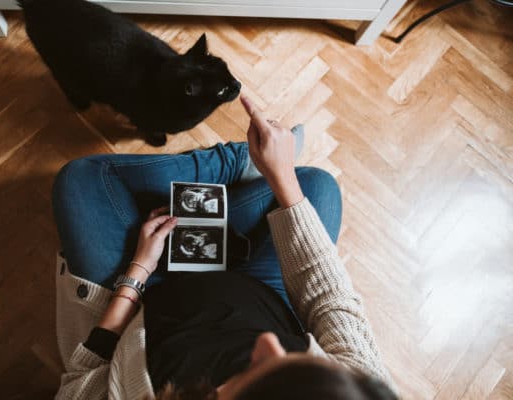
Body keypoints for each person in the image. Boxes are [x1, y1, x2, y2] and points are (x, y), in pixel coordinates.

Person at [51, 95, 398, 399]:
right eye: (294, 361)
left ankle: (232, 164)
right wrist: (281, 176)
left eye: (258, 374)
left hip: (146, 297)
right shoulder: (355, 390)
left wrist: (136, 273)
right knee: (316, 186)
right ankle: (241, 167)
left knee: (83, 179)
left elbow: (81, 376)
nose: (268, 344)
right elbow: (330, 299)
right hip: (264, 289)